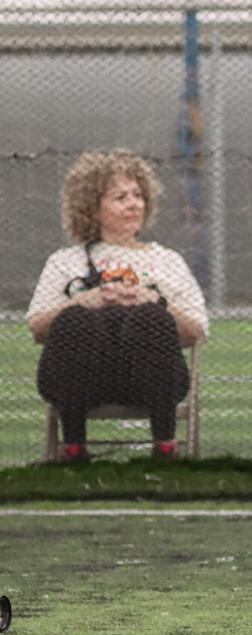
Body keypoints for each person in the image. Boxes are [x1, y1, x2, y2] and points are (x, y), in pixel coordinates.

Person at [27, 149, 209, 462]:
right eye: (120, 197)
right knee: (76, 319)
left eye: (138, 195)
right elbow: (37, 328)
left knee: (149, 317)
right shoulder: (65, 262)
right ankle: (73, 447)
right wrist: (81, 302)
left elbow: (196, 332)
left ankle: (165, 444)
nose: (134, 204)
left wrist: (156, 301)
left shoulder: (167, 261)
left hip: (149, 378)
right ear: (92, 209)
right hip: (83, 378)